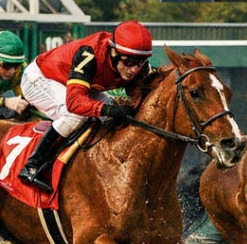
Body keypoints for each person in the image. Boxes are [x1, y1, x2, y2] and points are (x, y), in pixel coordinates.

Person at [17, 20, 153, 192]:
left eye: (139, 63)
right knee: (76, 115)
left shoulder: (137, 65)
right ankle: (33, 165)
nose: (134, 69)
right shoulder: (88, 54)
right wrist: (110, 109)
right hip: (40, 78)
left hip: (82, 85)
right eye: (128, 62)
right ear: (113, 51)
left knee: (113, 117)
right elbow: (74, 103)